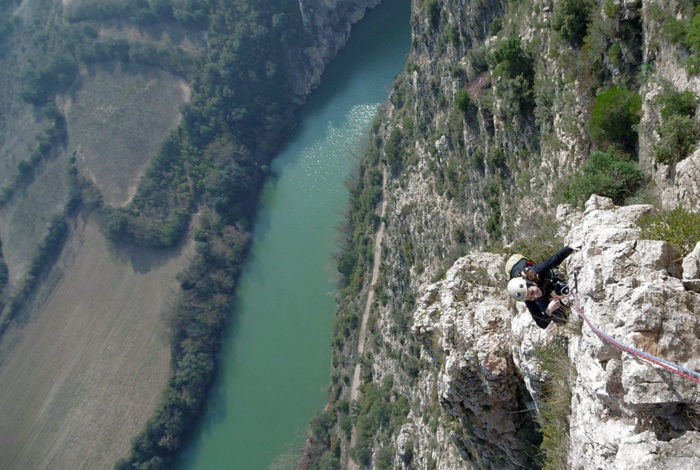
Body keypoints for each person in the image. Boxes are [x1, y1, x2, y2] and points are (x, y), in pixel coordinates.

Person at [506, 246, 574, 329]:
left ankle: (556, 286)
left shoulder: (533, 272)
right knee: (561, 318)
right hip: (515, 274)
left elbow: (553, 260)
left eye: (532, 292)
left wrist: (570, 248)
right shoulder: (527, 298)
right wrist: (549, 310)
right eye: (531, 298)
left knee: (558, 283)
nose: (535, 296)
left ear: (531, 283)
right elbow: (541, 324)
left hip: (522, 263)